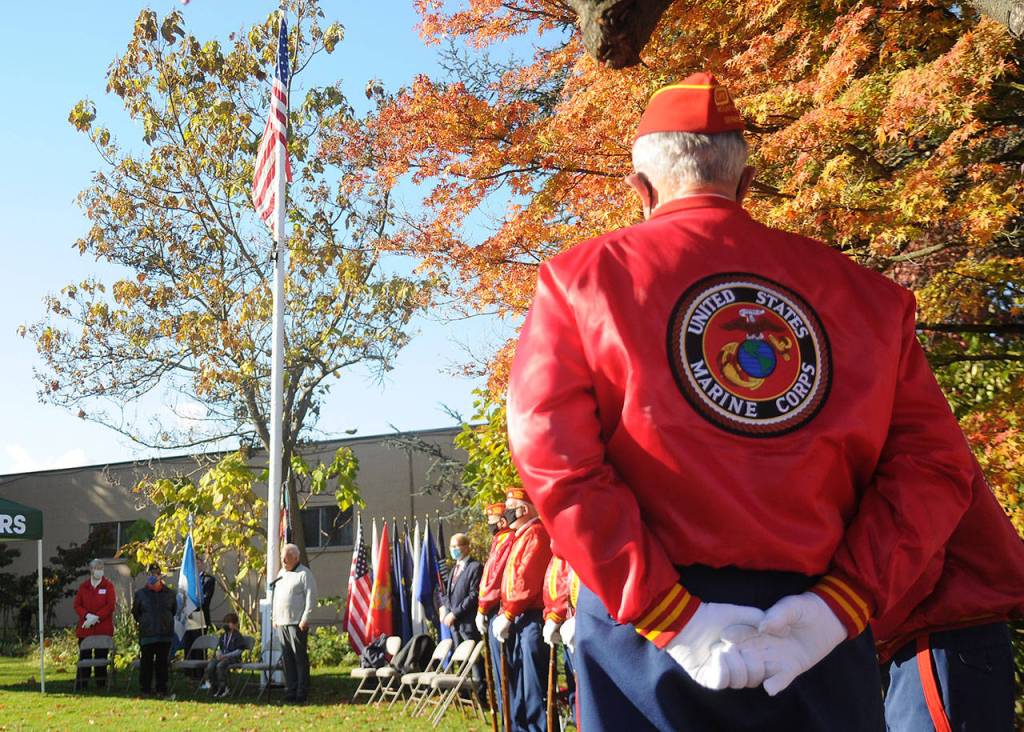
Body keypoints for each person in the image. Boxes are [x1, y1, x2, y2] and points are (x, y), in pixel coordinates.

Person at [507, 71, 983, 731]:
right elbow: (936, 466)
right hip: (816, 624)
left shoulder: (579, 281)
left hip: (646, 638)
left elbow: (552, 458)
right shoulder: (869, 298)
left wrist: (666, 612)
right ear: (745, 184)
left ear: (640, 191)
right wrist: (838, 607)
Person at [874, 458, 1024, 731]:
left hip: (939, 641)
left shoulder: (901, 436)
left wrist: (845, 625)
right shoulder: (917, 434)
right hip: (948, 643)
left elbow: (915, 556)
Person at [490, 487, 553, 732]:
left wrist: (508, 612)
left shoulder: (536, 533)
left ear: (523, 509)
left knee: (531, 688)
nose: (506, 512)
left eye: (509, 506)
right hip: (518, 617)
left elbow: (526, 579)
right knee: (518, 683)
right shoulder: (522, 535)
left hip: (530, 617)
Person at [475, 501, 515, 719]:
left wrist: (483, 606)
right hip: (491, 610)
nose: (488, 525)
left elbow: (496, 578)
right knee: (500, 676)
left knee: (505, 673)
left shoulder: (507, 540)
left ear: (501, 521)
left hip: (498, 610)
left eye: (490, 521)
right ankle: (503, 712)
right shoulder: (498, 541)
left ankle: (507, 715)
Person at [272, 543, 317, 704]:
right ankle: (290, 689)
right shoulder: (281, 573)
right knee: (287, 658)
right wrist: (274, 617)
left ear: (296, 558)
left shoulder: (304, 574)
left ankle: (302, 691)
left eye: (287, 557)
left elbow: (311, 597)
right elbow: (276, 597)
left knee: (299, 658)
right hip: (282, 622)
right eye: (282, 557)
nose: (283, 560)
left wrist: (305, 618)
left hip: (297, 623)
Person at [440, 532, 484, 695]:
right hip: (454, 624)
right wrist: (445, 608)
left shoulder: (475, 567)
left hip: (467, 622)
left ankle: (481, 694)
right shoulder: (454, 569)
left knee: (474, 660)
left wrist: (455, 613)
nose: (453, 550)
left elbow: (473, 595)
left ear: (466, 547)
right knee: (461, 659)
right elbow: (447, 593)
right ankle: (464, 693)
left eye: (456, 546)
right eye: (451, 546)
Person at [541, 553, 578, 727]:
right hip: (565, 623)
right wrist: (551, 616)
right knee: (574, 686)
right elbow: (554, 584)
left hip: (580, 621)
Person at [132, 563, 176, 698]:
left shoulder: (170, 593)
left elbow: (173, 610)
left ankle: (161, 690)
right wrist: (145, 623)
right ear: (147, 575)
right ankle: (145, 689)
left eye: (156, 573)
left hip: (164, 634)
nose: (153, 576)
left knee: (162, 663)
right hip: (147, 634)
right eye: (151, 573)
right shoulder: (140, 594)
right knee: (146, 663)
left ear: (160, 575)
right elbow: (136, 613)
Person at [72, 558, 116, 691]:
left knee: (101, 656)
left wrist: (97, 617)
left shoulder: (108, 586)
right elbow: (77, 605)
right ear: (91, 570)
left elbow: (110, 606)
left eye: (101, 568)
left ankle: (101, 684)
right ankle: (82, 684)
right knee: (84, 656)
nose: (100, 570)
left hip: (103, 629)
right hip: (85, 629)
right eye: (97, 568)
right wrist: (87, 615)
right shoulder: (84, 586)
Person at [199, 612, 245, 698]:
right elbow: (220, 648)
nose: (226, 625)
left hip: (233, 658)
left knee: (220, 666)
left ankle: (224, 687)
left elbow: (239, 650)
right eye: (225, 623)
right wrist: (219, 654)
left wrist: (226, 656)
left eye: (229, 623)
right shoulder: (223, 636)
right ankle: (214, 686)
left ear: (234, 624)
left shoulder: (237, 636)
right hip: (223, 657)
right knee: (211, 666)